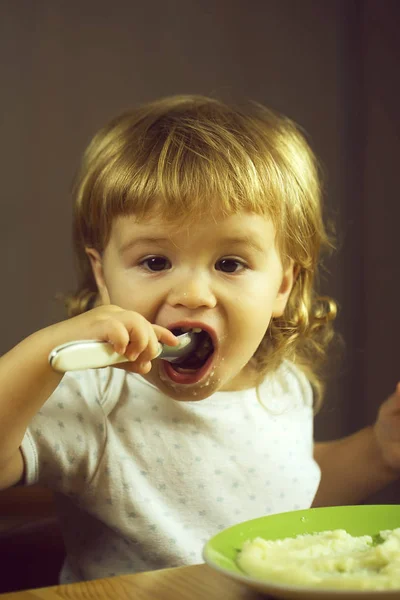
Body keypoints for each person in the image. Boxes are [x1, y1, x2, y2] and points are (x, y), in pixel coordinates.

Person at [0, 95, 399, 583]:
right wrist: (43, 354)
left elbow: (283, 498)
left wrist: (378, 452)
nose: (191, 293)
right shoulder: (99, 399)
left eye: (230, 264)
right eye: (155, 262)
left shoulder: (281, 385)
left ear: (282, 285)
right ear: (103, 276)